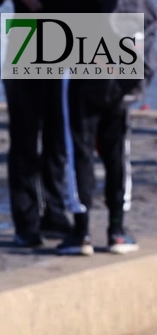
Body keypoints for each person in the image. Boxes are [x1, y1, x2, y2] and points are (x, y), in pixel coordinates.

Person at [57, 0, 155, 255]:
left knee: (80, 150)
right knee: (117, 153)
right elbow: (147, 25)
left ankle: (82, 232)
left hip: (84, 65)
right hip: (120, 68)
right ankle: (116, 230)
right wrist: (139, 79)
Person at [0, 0, 73, 247]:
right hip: (27, 41)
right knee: (24, 142)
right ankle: (27, 222)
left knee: (59, 139)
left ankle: (55, 211)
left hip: (69, 44)